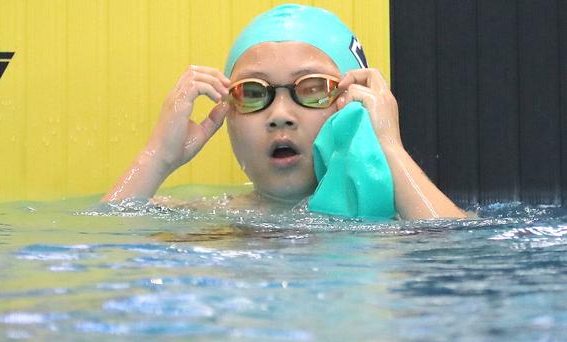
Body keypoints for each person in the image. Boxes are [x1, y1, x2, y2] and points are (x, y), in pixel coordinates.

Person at [102, 4, 466, 220]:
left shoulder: (394, 211)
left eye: (311, 89)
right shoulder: (211, 216)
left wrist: (388, 147)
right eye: (253, 93)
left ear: (353, 103)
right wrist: (158, 157)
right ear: (227, 114)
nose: (280, 114)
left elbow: (455, 261)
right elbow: (100, 244)